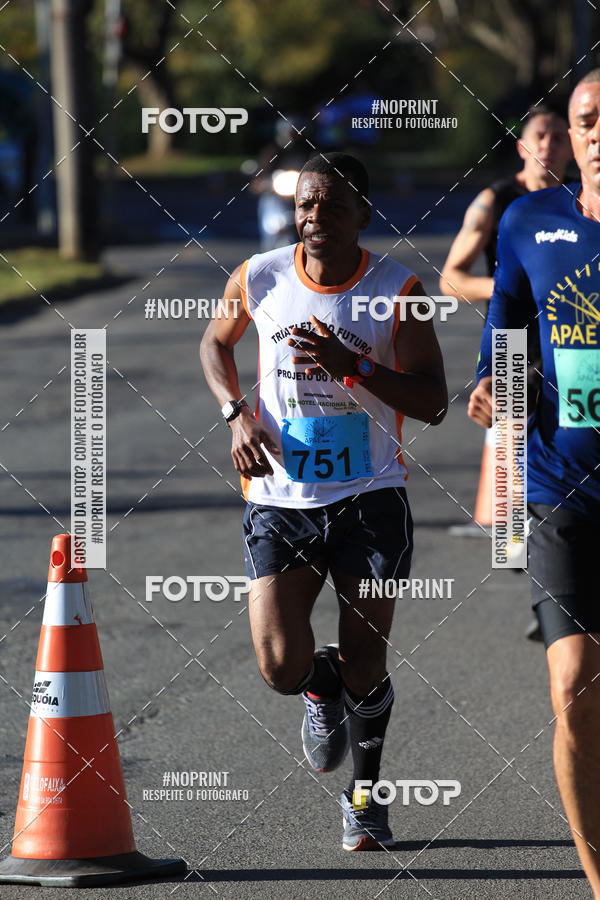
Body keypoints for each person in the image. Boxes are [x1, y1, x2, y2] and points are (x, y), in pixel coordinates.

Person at [200, 153, 447, 850]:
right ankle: (318, 684)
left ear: (363, 214)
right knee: (279, 665)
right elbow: (214, 342)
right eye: (307, 205)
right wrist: (235, 414)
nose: (315, 219)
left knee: (368, 660)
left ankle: (365, 798)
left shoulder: (397, 289)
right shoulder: (260, 275)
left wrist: (355, 367)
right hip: (282, 499)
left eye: (333, 206)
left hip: (371, 498)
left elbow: (433, 400)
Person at [468, 71, 600, 897]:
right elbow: (505, 334)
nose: (599, 132)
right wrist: (493, 383)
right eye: (589, 119)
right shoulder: (527, 221)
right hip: (563, 486)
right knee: (573, 685)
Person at [440, 106, 572, 642]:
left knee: (567, 468)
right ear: (522, 146)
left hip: (569, 346)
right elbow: (451, 278)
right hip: (514, 348)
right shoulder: (498, 201)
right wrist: (516, 285)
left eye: (560, 137)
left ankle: (560, 593)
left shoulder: (580, 199)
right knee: (512, 517)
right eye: (541, 135)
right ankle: (544, 587)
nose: (551, 145)